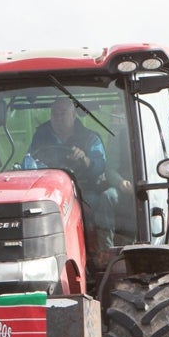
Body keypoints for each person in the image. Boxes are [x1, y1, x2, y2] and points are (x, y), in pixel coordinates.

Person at [29, 97, 116, 247]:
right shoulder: (40, 137)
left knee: (94, 206)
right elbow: (29, 162)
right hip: (49, 192)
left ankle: (101, 249)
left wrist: (84, 158)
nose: (58, 118)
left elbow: (100, 166)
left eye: (62, 113)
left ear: (73, 115)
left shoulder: (90, 138)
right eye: (54, 114)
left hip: (84, 190)